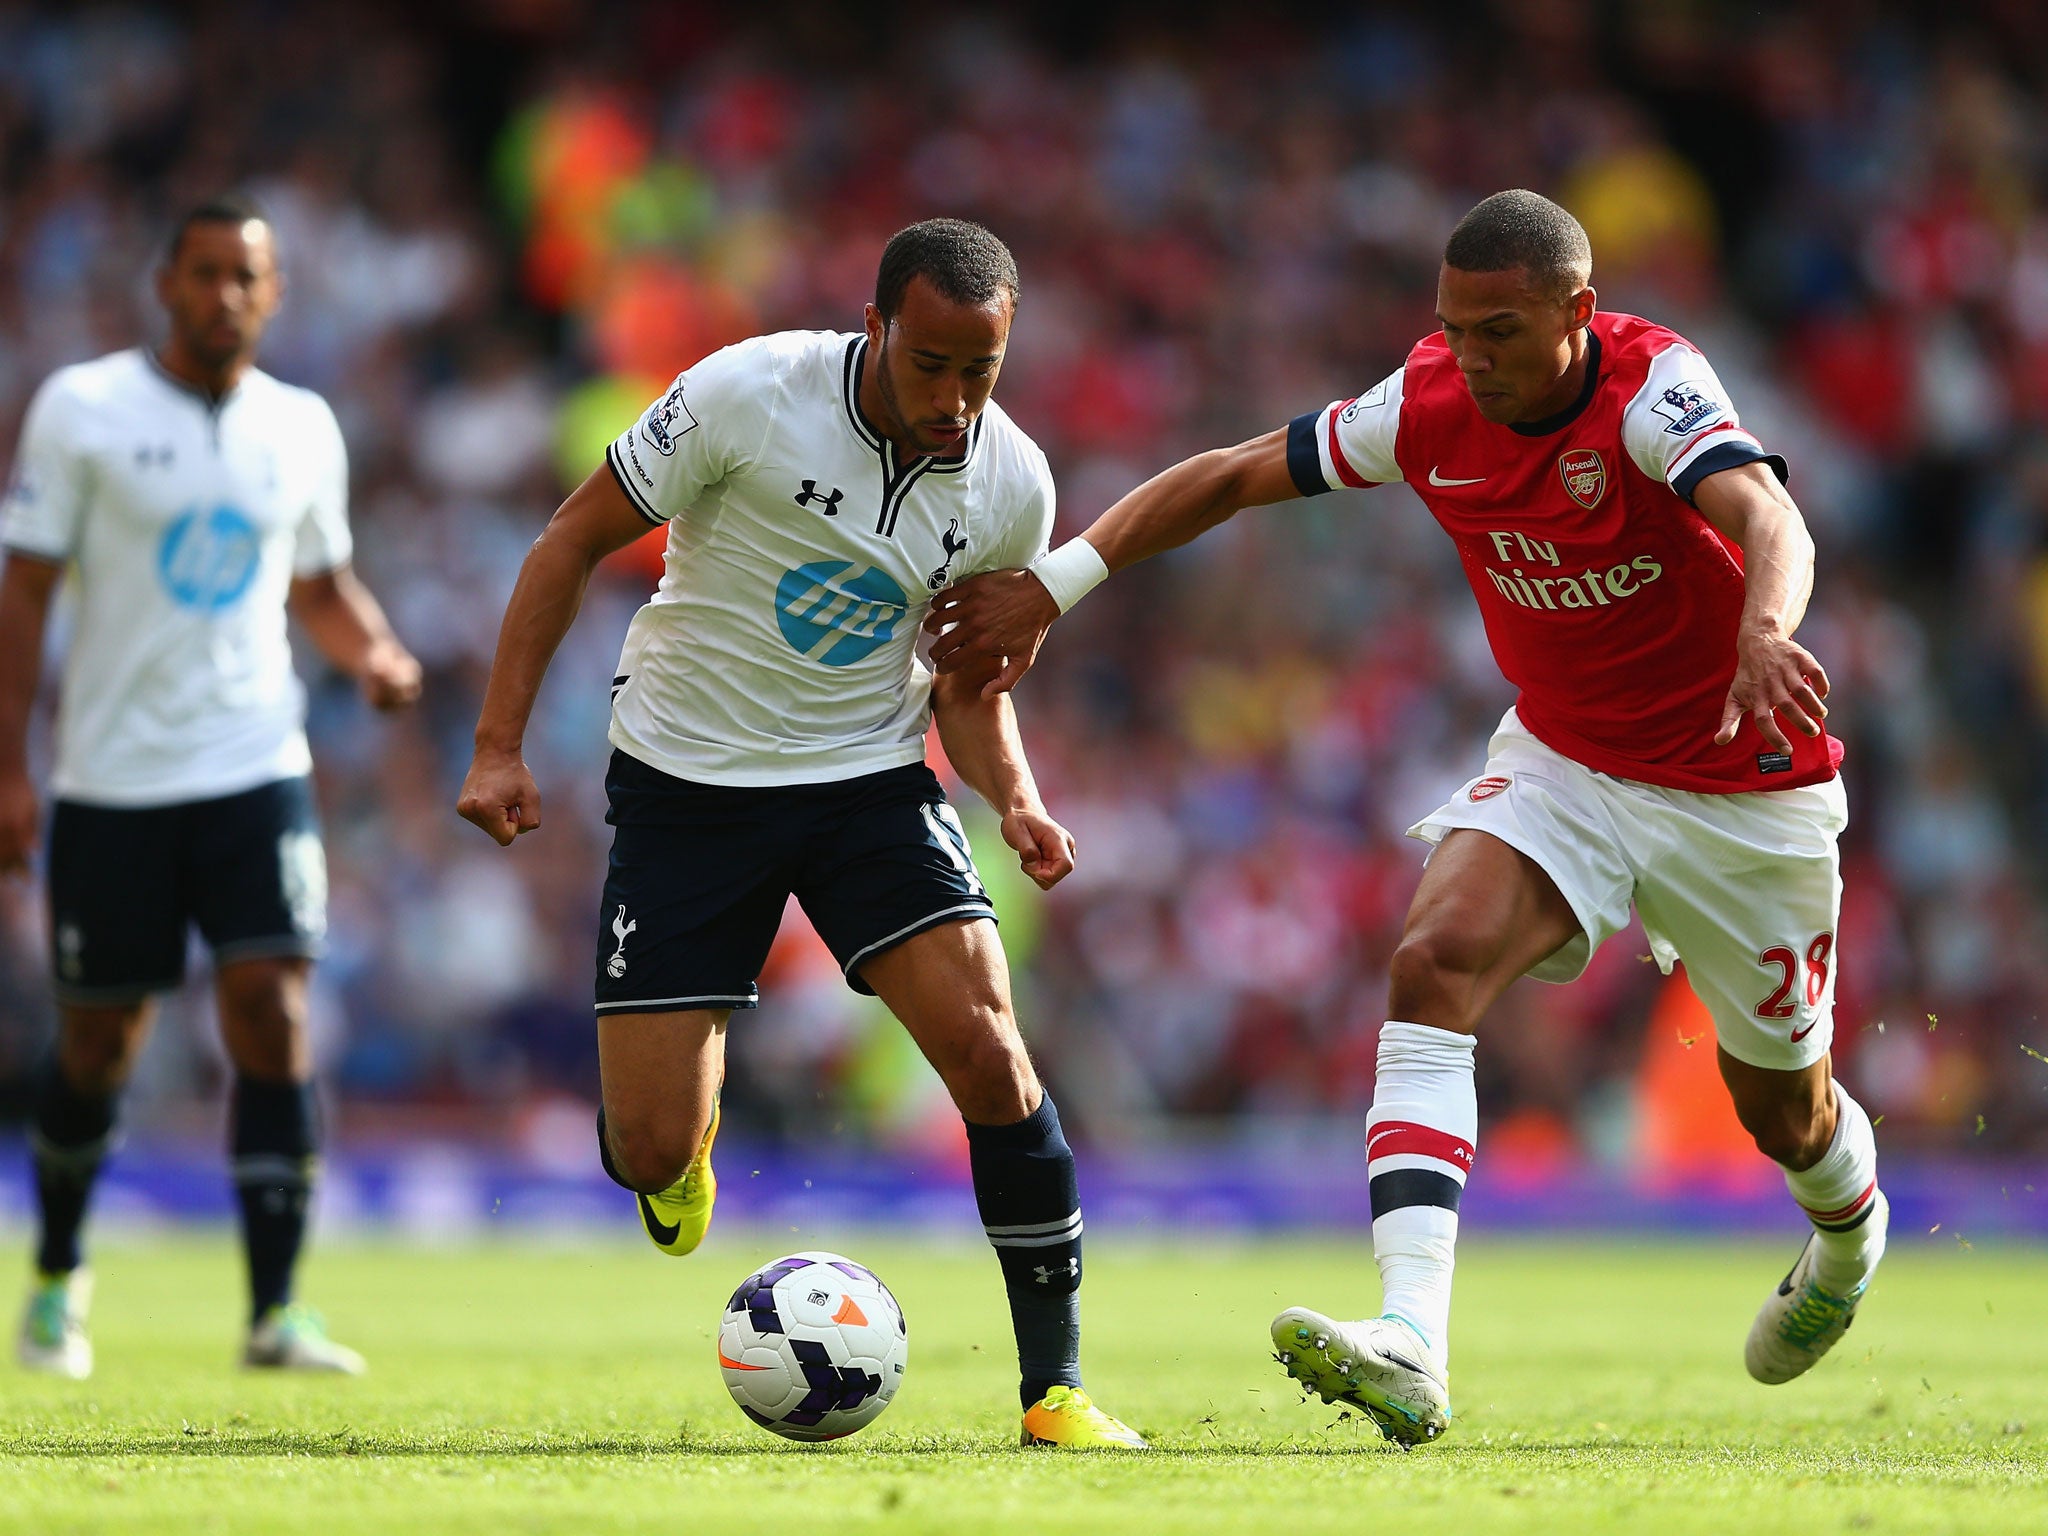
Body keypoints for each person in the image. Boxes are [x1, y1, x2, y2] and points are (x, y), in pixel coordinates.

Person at [925, 190, 1887, 1446]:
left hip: (1743, 789)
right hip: (1569, 764)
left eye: (1498, 331)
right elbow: (1227, 478)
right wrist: (1054, 588)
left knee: (1787, 1117)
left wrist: (1763, 632)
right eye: (1452, 327)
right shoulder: (1426, 403)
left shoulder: (1652, 392)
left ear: (1577, 315)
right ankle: (1412, 1342)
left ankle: (1847, 1236)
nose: (1468, 358)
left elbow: (1768, 514)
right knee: (1431, 959)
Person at [455, 218, 1145, 1450]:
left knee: (991, 1053)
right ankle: (677, 1160)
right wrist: (499, 745)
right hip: (685, 784)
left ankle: (1054, 1392)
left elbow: (966, 678)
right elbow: (570, 540)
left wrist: (1016, 798)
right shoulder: (745, 394)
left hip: (863, 784)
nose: (952, 397)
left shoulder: (1011, 483)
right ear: (876, 326)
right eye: (929, 362)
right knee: (647, 1143)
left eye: (979, 370)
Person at [2, 195, 422, 1378]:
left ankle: (276, 1310)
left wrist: (376, 655)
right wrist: (8, 769)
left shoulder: (301, 426)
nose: (224, 295)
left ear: (274, 291)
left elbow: (322, 585)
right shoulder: (82, 411)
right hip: (111, 781)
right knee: (99, 1044)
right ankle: (55, 1275)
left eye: (245, 275)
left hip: (253, 763)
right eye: (203, 273)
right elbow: (25, 592)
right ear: (164, 283)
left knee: (275, 1010)